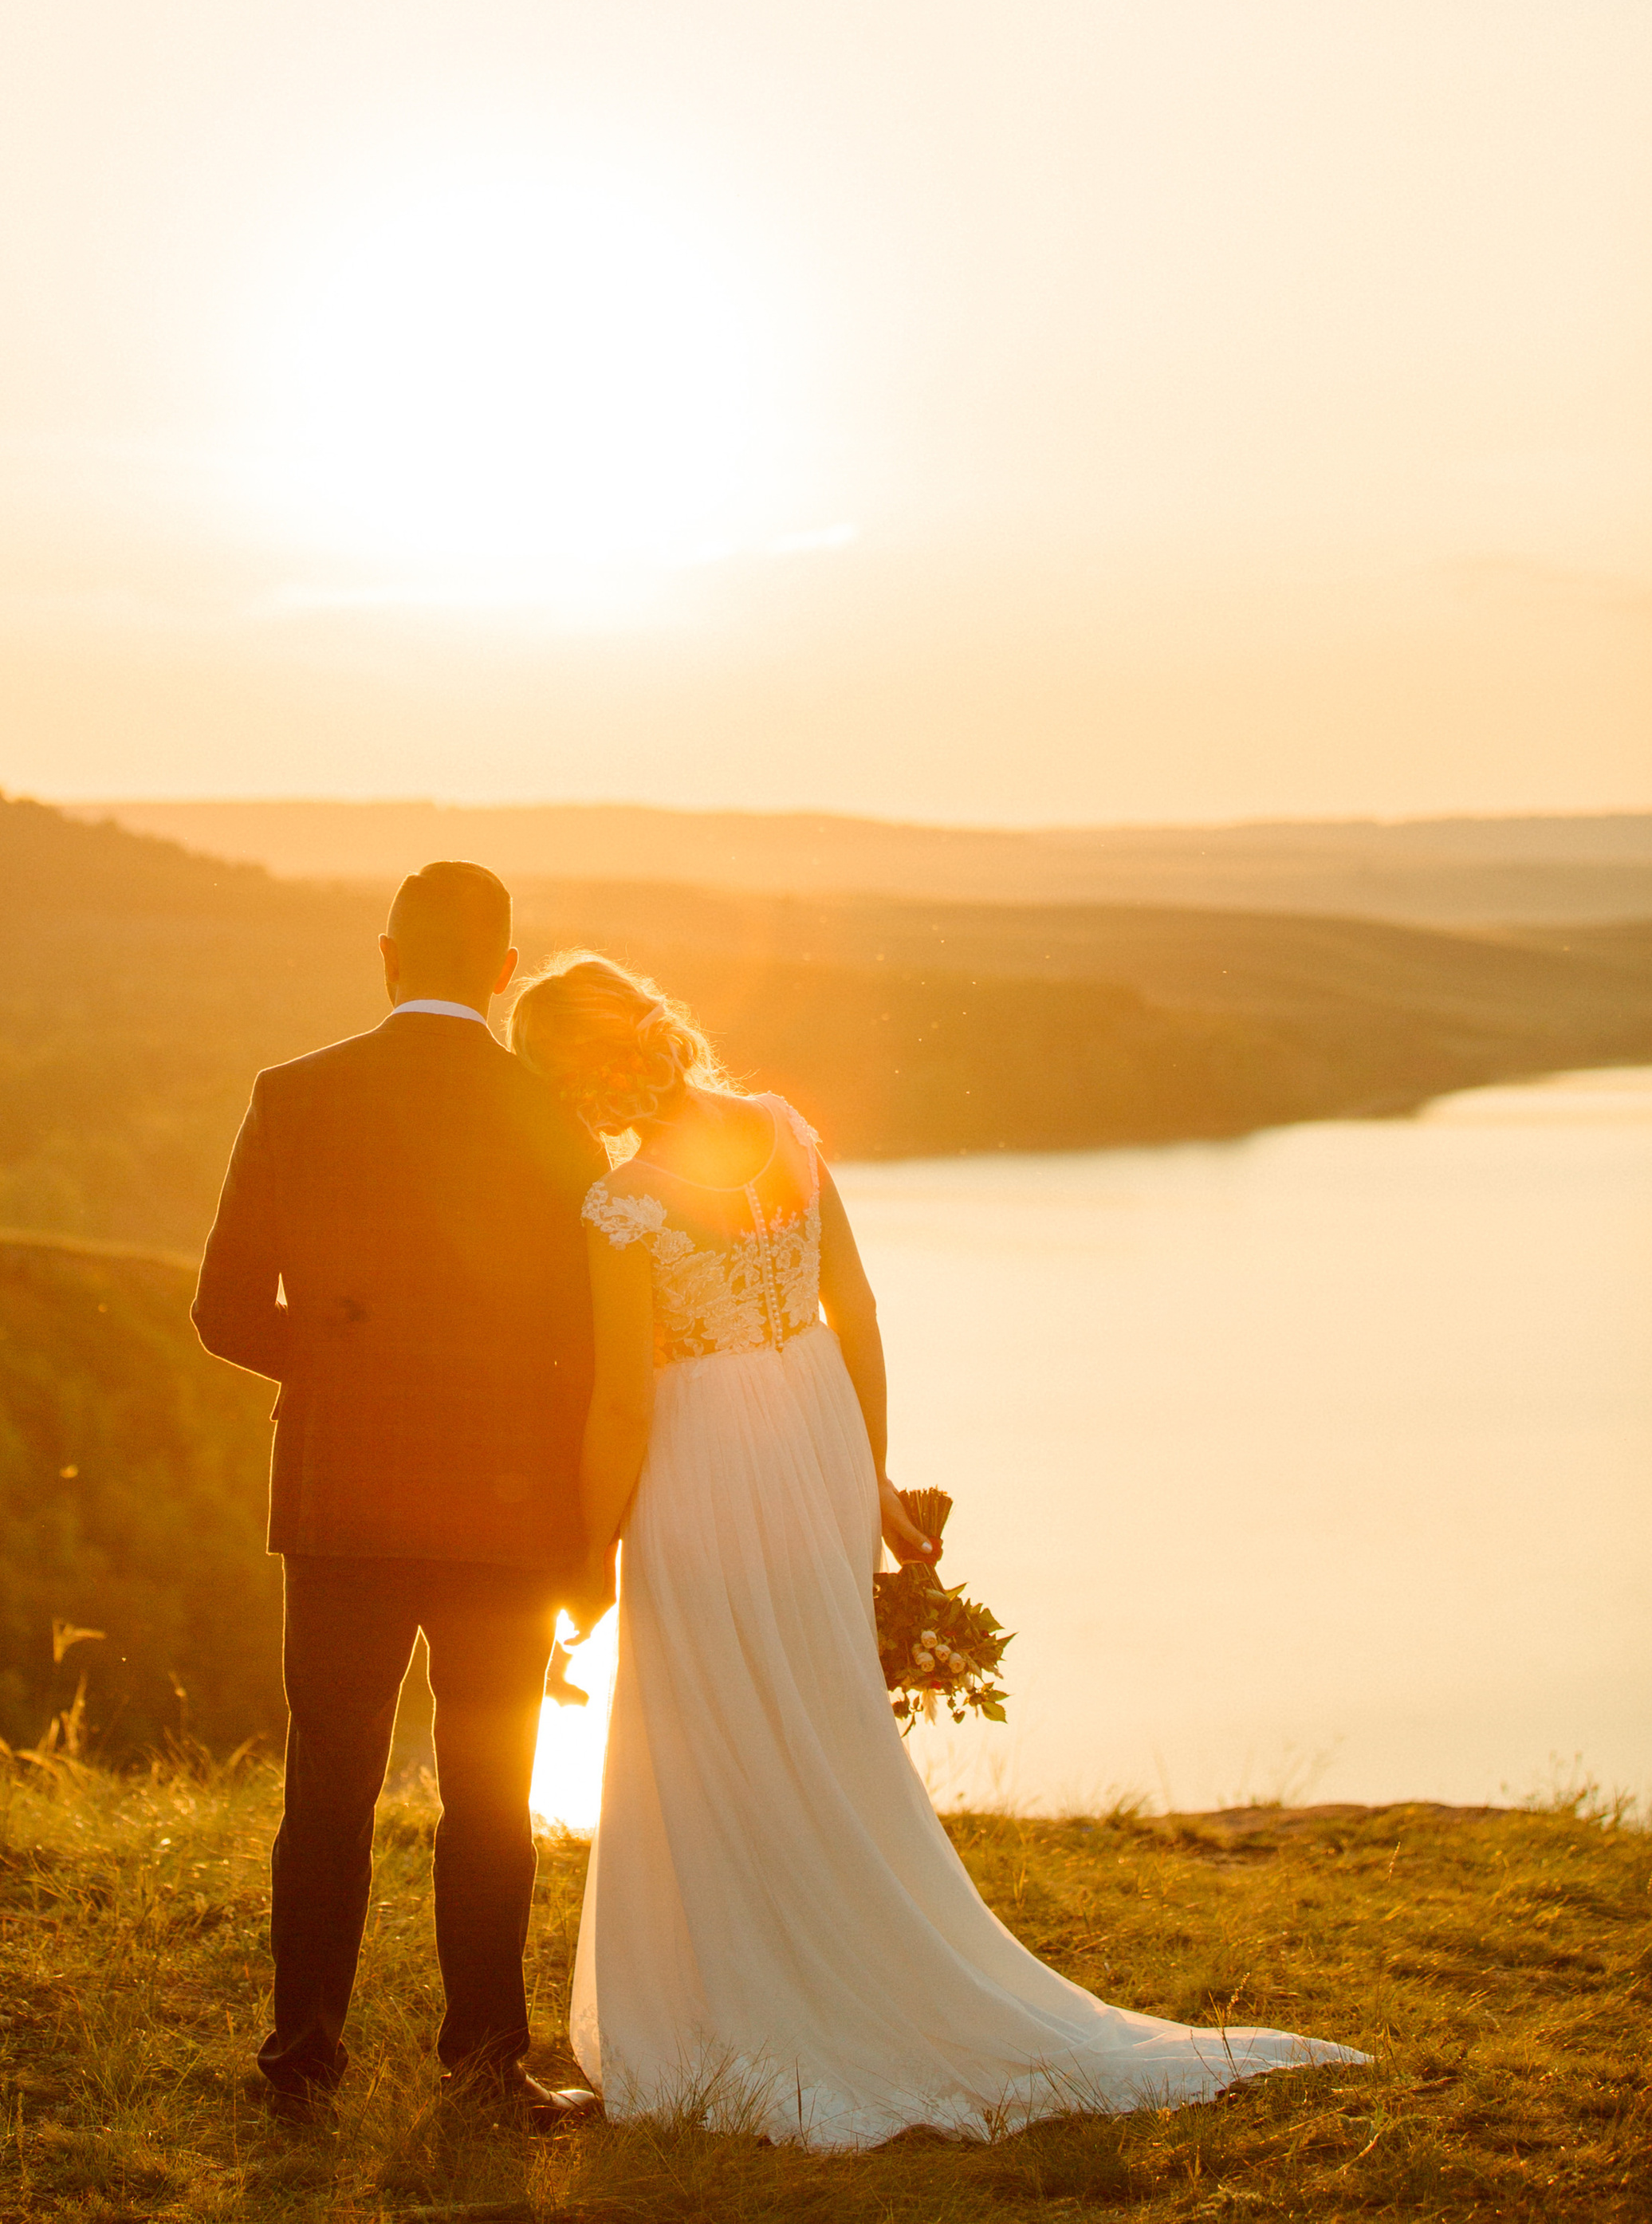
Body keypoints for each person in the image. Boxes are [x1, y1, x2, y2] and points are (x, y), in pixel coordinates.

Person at [509, 951, 1370, 2150]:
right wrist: (866, 1475)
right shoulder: (782, 1133)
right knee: (819, 1707)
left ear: (576, 1077)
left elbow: (622, 1410)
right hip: (813, 1432)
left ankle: (768, 1996)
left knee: (714, 1724)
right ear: (656, 1029)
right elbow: (852, 1308)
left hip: (704, 1458)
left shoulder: (622, 1203)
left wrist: (584, 1562)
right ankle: (842, 1954)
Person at [191, 862, 604, 2127]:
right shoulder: (552, 1116)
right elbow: (589, 1346)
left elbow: (219, 1312)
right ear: (503, 971)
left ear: (385, 958)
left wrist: (333, 1359)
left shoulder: (294, 1094)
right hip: (505, 1509)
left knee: (329, 1785)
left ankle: (302, 2058)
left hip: (341, 1503)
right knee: (490, 1794)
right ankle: (487, 2059)